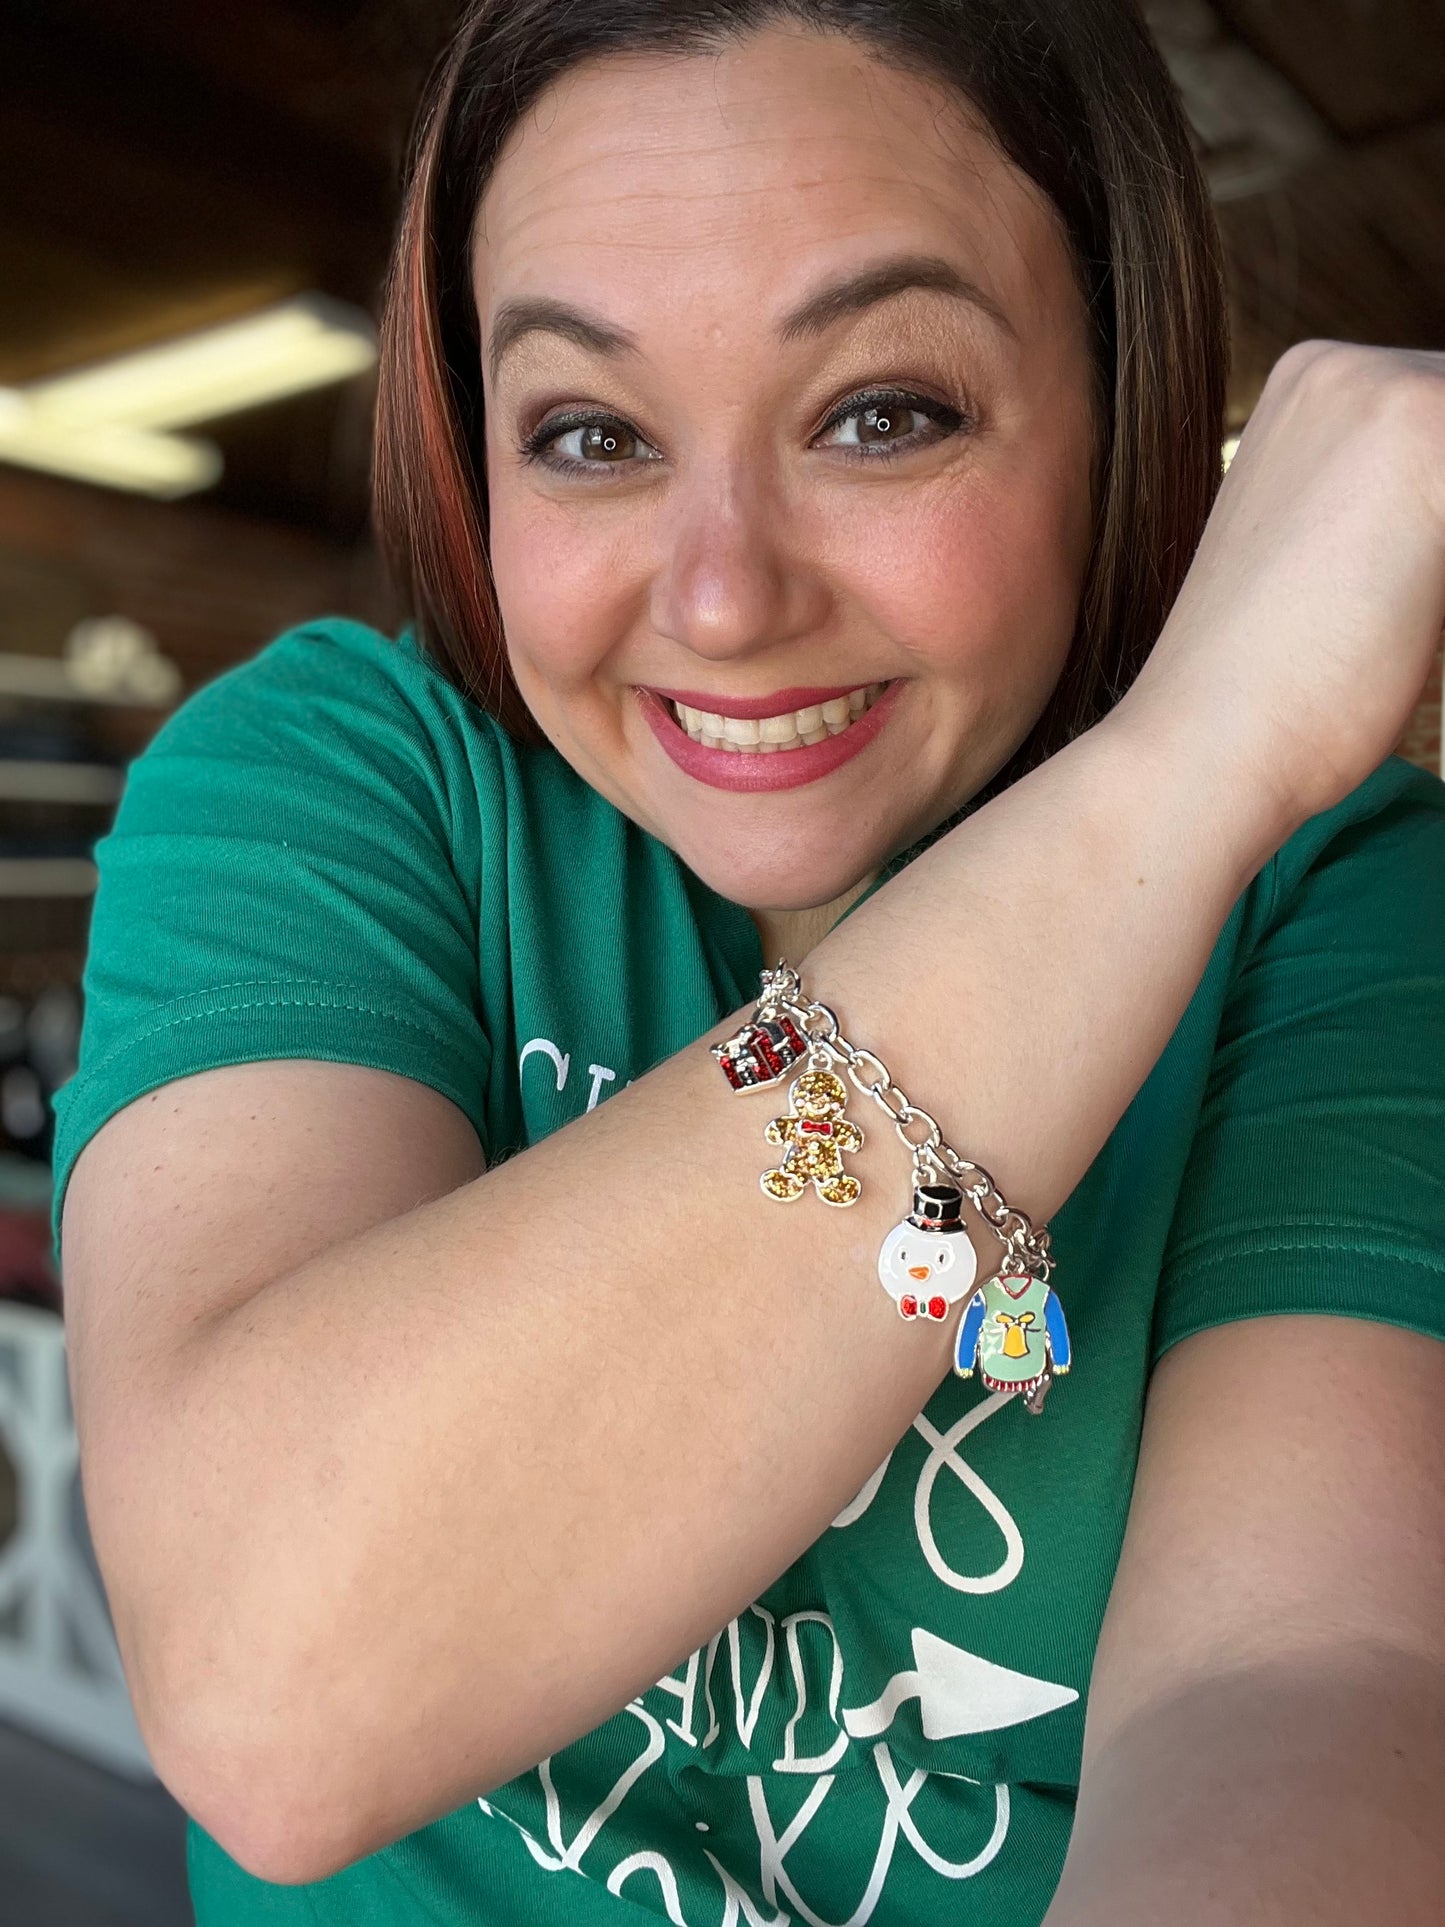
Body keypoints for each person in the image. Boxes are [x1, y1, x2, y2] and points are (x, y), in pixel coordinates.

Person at [51, 3, 1445, 1924]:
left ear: (1116, 406)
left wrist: (1225, 800)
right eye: (592, 434)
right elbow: (276, 1679)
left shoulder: (1343, 905)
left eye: (883, 412)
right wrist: (1178, 771)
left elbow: (1300, 1683)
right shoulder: (339, 782)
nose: (719, 595)